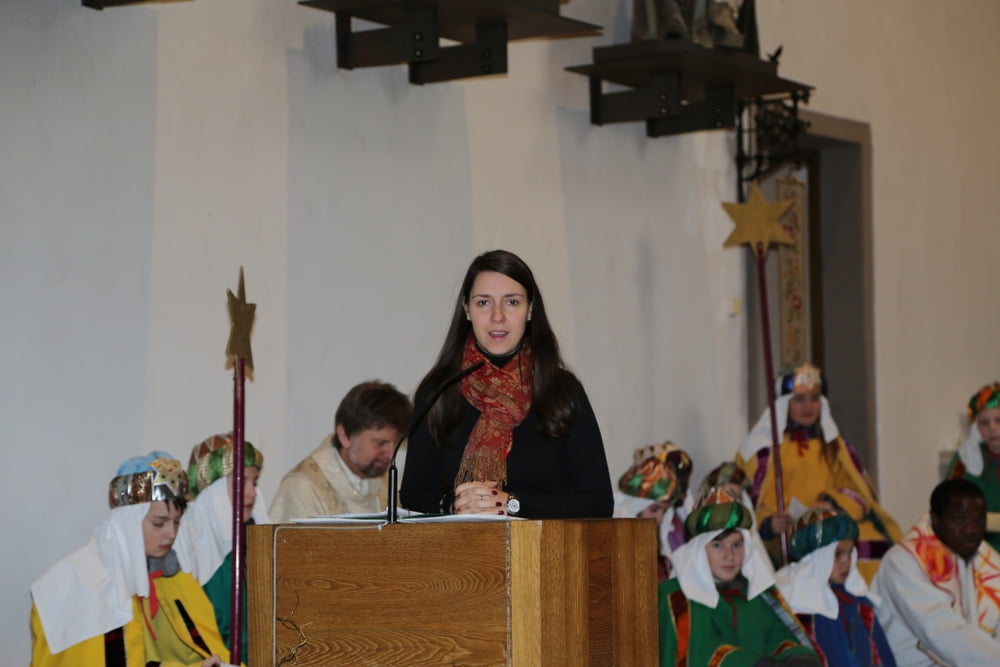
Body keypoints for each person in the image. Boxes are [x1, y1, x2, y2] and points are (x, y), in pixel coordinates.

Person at [400, 249, 614, 519]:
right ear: (466, 309)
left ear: (530, 309)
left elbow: (598, 502)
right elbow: (413, 495)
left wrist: (511, 504)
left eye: (512, 302)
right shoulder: (439, 391)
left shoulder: (562, 390)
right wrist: (455, 505)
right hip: (458, 545)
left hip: (544, 545)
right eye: (483, 302)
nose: (497, 316)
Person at [30, 452, 231, 667]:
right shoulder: (84, 586)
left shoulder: (171, 576)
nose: (171, 534)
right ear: (129, 521)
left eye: (176, 522)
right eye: (159, 523)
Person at [735, 362, 901, 581]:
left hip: (832, 520)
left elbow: (860, 495)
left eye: (814, 398)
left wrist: (831, 504)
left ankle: (860, 600)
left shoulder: (834, 445)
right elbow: (752, 501)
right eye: (799, 399)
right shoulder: (765, 450)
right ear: (784, 404)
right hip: (791, 530)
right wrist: (769, 522)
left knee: (871, 540)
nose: (808, 406)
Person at [658, 486, 820, 666]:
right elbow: (698, 653)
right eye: (718, 545)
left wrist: (796, 657)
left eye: (736, 545)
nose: (729, 556)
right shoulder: (677, 596)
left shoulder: (757, 594)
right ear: (698, 549)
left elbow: (778, 636)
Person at [871, 479, 1000, 665]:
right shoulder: (904, 562)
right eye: (959, 520)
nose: (971, 529)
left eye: (978, 521)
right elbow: (943, 631)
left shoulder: (985, 560)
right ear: (935, 519)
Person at [175, 433, 268, 660]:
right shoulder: (188, 549)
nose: (252, 492)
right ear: (213, 490)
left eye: (254, 482)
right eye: (242, 482)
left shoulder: (253, 544)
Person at [269, 380, 412, 521]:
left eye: (395, 443)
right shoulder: (303, 489)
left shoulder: (391, 488)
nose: (390, 455)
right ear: (345, 436)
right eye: (380, 443)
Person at [775, 507, 896, 666]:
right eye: (837, 554)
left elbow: (881, 654)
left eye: (850, 552)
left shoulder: (857, 601)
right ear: (817, 556)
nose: (847, 562)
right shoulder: (796, 602)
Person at [614, 442, 694, 582]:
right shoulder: (613, 549)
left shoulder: (661, 553)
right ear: (634, 507)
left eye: (665, 510)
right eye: (654, 509)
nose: (660, 518)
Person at [946, 381, 1000, 552]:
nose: (992, 428)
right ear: (976, 427)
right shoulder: (964, 460)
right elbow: (947, 504)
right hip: (974, 548)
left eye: (998, 420)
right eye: (984, 423)